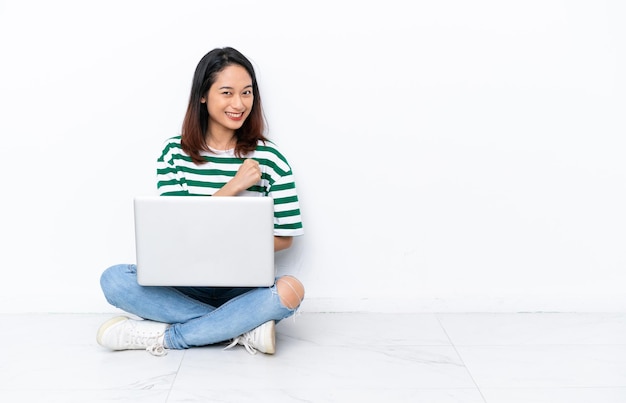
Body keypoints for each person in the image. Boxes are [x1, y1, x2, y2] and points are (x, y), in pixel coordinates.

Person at [96, 47, 305, 356]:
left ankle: (167, 337)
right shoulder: (174, 153)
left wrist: (228, 243)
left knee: (291, 290)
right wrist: (234, 186)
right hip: (183, 283)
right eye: (227, 93)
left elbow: (285, 237)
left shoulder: (270, 157)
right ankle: (242, 327)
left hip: (243, 287)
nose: (239, 104)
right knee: (113, 280)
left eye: (246, 93)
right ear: (203, 96)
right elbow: (178, 229)